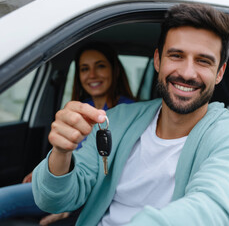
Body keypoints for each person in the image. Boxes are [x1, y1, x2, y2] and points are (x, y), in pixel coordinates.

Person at [32, 3, 229, 226]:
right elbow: (54, 200)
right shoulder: (116, 119)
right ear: (158, 60)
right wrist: (61, 152)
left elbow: (214, 208)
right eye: (176, 56)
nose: (187, 73)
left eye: (203, 61)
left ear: (219, 72)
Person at [0, 43, 134, 225]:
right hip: (62, 182)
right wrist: (44, 170)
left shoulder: (129, 113)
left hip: (82, 193)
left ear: (115, 70)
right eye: (84, 69)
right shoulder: (79, 108)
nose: (92, 75)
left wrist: (71, 209)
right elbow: (68, 152)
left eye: (100, 66)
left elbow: (113, 177)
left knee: (3, 200)